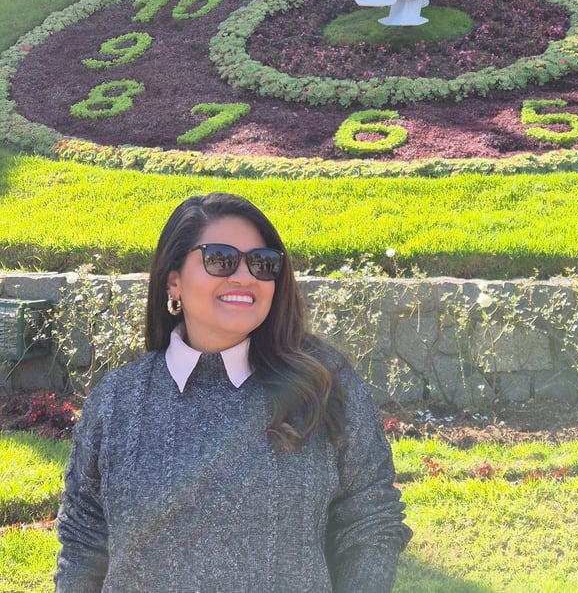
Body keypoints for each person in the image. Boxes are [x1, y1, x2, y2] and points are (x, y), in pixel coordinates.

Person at [54, 192, 412, 592]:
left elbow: (370, 522)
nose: (245, 276)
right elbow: (82, 542)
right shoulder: (118, 400)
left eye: (262, 263)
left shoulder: (325, 386)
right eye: (221, 259)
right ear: (173, 280)